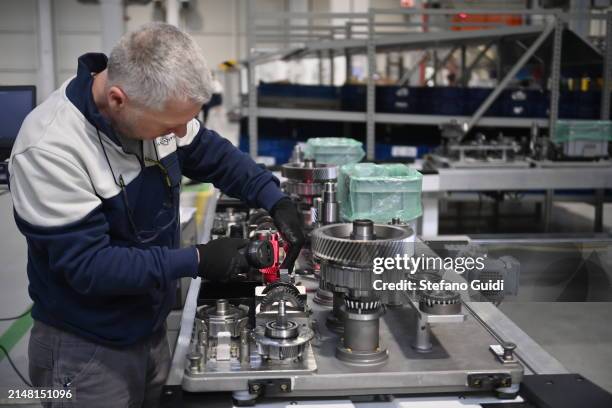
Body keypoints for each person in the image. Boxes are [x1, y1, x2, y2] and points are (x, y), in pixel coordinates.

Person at [8, 22, 304, 407]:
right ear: (117, 100)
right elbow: (90, 267)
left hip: (150, 328)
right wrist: (196, 259)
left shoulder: (150, 109)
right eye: (170, 125)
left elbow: (214, 155)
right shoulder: (50, 150)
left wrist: (274, 198)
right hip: (85, 351)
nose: (181, 133)